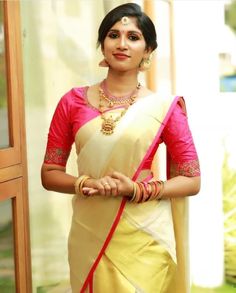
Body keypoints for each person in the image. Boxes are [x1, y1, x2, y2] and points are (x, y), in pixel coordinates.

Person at [41, 3, 200, 293]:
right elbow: (50, 173)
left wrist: (139, 190)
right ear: (102, 44)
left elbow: (191, 179)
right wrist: (85, 182)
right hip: (90, 234)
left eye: (133, 37)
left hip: (144, 237)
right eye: (113, 34)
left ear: (148, 50)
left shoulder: (165, 108)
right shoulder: (72, 102)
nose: (122, 43)